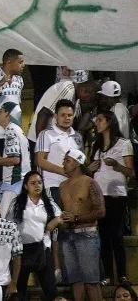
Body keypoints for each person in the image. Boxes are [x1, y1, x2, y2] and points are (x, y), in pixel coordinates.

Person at [90, 111, 133, 285]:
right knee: (103, 236)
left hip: (116, 195)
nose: (97, 123)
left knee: (116, 235)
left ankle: (122, 274)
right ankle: (107, 275)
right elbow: (90, 172)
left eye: (100, 120)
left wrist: (116, 165)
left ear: (109, 122)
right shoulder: (96, 145)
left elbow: (131, 172)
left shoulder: (124, 144)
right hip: (100, 196)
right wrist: (91, 167)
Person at [59, 147, 105, 301]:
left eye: (67, 160)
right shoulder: (62, 186)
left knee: (91, 281)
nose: (63, 163)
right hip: (67, 236)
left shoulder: (90, 182)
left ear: (77, 163)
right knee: (75, 281)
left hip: (87, 235)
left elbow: (100, 211)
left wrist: (76, 219)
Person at [9, 171, 61, 301]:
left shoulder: (48, 203)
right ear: (26, 186)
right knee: (18, 292)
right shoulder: (17, 203)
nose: (37, 185)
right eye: (33, 183)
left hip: (43, 250)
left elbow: (62, 217)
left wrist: (56, 221)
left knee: (51, 290)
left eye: (39, 182)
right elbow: (9, 225)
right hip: (22, 251)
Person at [35, 99, 83, 204]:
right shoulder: (46, 134)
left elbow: (80, 161)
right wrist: (63, 171)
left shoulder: (78, 137)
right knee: (57, 219)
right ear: (56, 117)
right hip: (53, 185)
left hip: (73, 186)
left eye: (70, 115)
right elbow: (39, 161)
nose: (67, 118)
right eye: (63, 115)